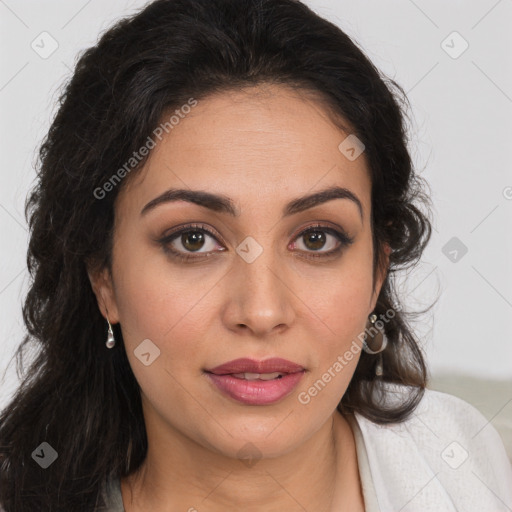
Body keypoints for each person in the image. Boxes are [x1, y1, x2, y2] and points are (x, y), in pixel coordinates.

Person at [0, 0, 510, 511]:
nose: (262, 312)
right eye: (194, 240)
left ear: (378, 270)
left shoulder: (472, 463)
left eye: (316, 238)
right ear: (104, 278)